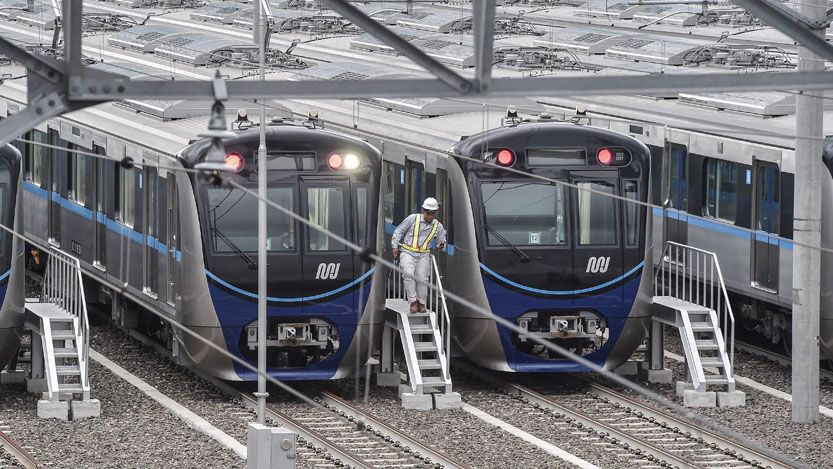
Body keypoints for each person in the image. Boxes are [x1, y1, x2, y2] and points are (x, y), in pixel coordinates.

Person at [391, 197, 447, 313]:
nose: (430, 216)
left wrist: (441, 246)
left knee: (422, 279)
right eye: (428, 213)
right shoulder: (412, 219)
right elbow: (399, 231)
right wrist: (395, 246)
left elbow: (441, 242)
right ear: (423, 210)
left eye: (433, 213)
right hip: (407, 252)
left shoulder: (438, 226)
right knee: (408, 274)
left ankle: (421, 303)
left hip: (423, 255)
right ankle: (413, 302)